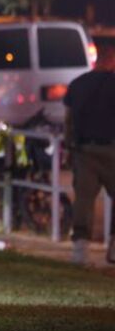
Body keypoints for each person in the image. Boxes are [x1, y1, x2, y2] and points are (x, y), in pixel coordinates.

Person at [63, 39, 115, 265]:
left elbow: (68, 121)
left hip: (84, 152)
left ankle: (80, 253)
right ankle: (113, 250)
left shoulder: (77, 84)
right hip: (112, 150)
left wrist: (69, 147)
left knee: (83, 201)